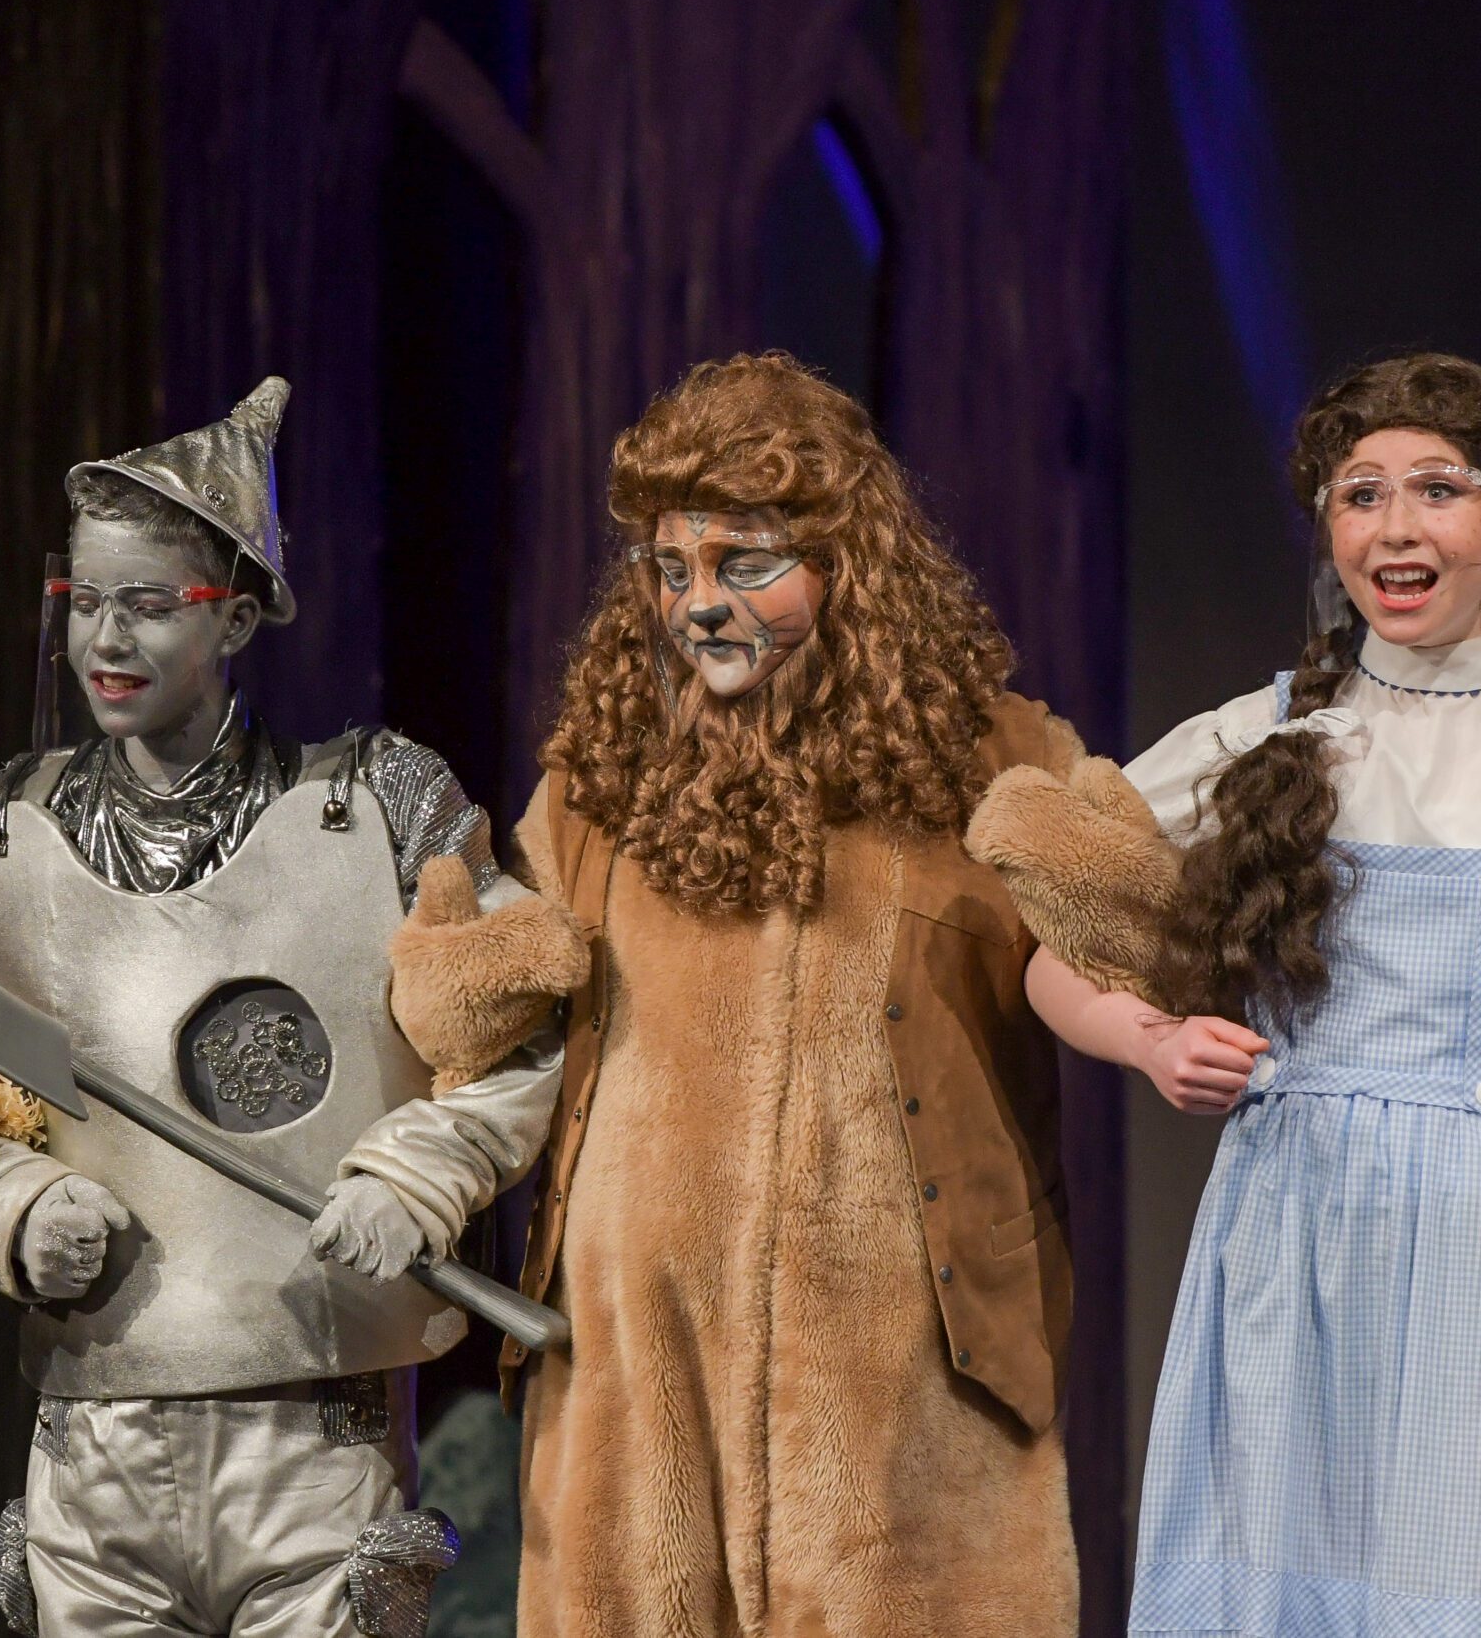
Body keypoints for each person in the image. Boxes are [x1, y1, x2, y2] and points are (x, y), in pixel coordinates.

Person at [0, 377, 586, 1638]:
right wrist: (8, 1208)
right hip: (94, 1443)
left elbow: (515, 1031)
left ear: (232, 618)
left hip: (316, 1431)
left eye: (149, 604)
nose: (107, 640)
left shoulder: (378, 811)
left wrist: (416, 1176)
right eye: (86, 602)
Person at [997, 352, 1481, 1634]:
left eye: (1436, 490)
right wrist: (1149, 1040)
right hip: (1293, 1248)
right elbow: (1049, 949)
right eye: (1360, 493)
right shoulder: (1262, 738)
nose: (1395, 526)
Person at [393, 353, 1086, 1636]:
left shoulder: (986, 755)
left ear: (848, 564)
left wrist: (1106, 882)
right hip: (637, 1360)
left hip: (903, 1367)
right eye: (671, 570)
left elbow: (1116, 958)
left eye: (745, 563)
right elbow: (479, 1040)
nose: (699, 604)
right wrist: (471, 967)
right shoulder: (599, 783)